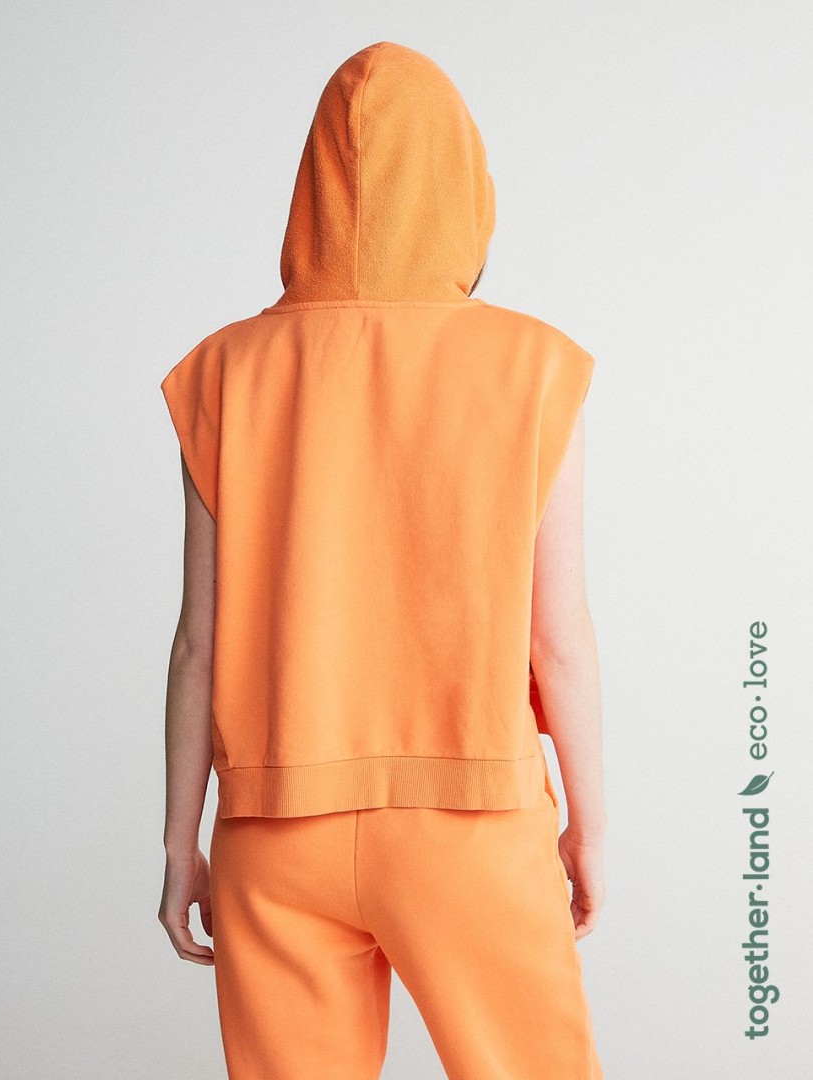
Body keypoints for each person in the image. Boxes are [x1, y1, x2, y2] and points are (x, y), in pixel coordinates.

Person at [157, 39, 606, 1080]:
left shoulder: (223, 373)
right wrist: (587, 827)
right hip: (473, 820)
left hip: (273, 827)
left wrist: (181, 841)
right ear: (463, 186)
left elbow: (198, 646)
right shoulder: (535, 367)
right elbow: (559, 641)